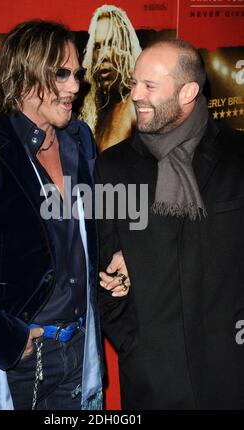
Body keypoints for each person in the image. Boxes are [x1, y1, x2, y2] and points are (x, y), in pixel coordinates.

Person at [0, 20, 129, 411]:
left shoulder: (79, 139)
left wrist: (113, 256)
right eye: (61, 74)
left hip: (81, 347)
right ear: (25, 75)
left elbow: (87, 228)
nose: (76, 87)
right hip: (18, 363)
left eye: (76, 74)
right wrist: (3, 339)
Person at [96, 39, 244, 409]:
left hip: (232, 374)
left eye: (150, 86)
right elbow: (103, 272)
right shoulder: (112, 167)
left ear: (188, 91)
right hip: (152, 381)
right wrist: (135, 346)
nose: (136, 96)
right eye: (134, 83)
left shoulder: (239, 157)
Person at [79, 5, 141, 152]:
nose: (103, 56)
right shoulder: (91, 111)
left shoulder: (137, 106)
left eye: (111, 44)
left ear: (126, 48)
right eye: (97, 46)